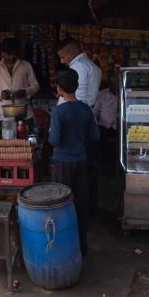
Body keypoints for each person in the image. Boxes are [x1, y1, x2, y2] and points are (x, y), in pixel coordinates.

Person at [48, 69, 100, 256]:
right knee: (80, 202)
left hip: (62, 162)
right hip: (81, 160)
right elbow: (95, 136)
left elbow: (54, 140)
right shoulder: (86, 109)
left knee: (61, 203)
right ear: (77, 87)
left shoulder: (58, 111)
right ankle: (82, 245)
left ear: (59, 89)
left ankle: (63, 245)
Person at [57, 38, 102, 216]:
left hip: (76, 126)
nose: (61, 61)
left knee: (74, 174)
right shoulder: (92, 66)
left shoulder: (79, 68)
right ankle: (89, 208)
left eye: (62, 56)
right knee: (88, 169)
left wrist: (63, 122)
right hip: (85, 122)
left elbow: (78, 99)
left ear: (71, 52)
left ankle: (73, 211)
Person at [0, 38, 40, 122]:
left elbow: (36, 86)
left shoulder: (26, 66)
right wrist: (0, 94)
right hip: (4, 114)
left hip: (25, 112)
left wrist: (25, 92)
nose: (11, 57)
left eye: (14, 54)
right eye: (8, 54)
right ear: (3, 53)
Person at [56, 38, 101, 107]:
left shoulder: (79, 66)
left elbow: (79, 95)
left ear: (71, 54)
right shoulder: (90, 65)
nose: (62, 61)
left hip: (73, 112)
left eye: (63, 57)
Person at [93, 73, 119, 172]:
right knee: (98, 139)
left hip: (118, 126)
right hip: (103, 125)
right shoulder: (103, 93)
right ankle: (103, 164)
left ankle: (115, 164)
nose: (116, 85)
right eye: (114, 82)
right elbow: (95, 111)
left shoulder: (124, 94)